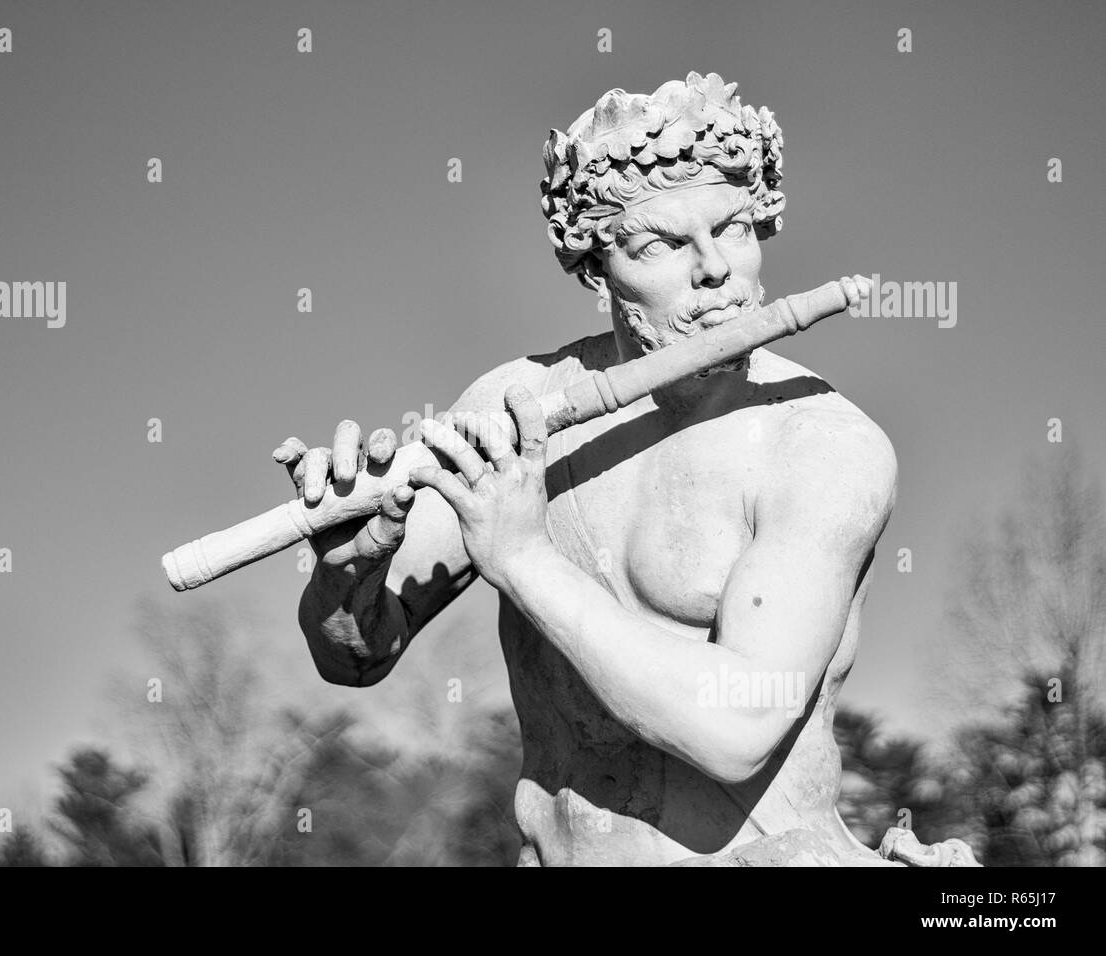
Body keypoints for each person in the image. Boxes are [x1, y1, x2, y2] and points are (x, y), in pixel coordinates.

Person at [274, 73, 901, 865]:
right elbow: (353, 657)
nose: (715, 270)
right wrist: (347, 573)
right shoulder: (516, 404)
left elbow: (739, 727)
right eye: (663, 245)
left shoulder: (822, 446)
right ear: (597, 267)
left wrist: (525, 558)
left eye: (734, 229)